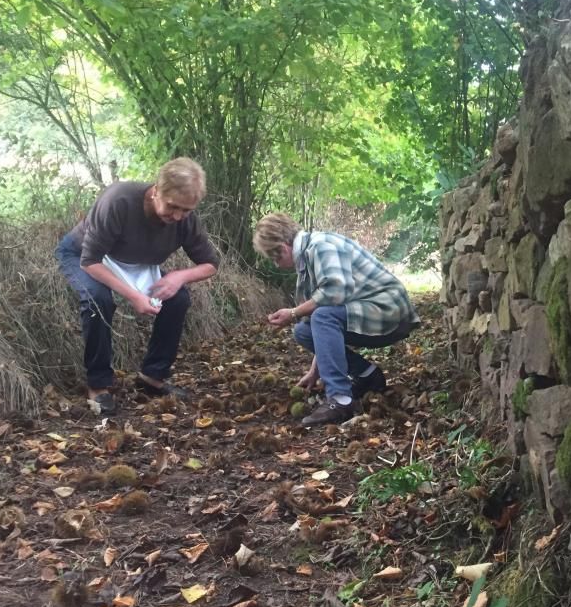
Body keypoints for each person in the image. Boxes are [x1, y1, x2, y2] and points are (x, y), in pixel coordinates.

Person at [55, 157, 219, 414]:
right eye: (172, 206)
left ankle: (152, 377)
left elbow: (210, 264)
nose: (177, 216)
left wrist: (179, 276)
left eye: (186, 210)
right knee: (98, 299)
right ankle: (98, 385)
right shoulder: (119, 201)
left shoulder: (185, 219)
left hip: (135, 265)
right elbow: (90, 261)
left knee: (178, 298)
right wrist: (133, 296)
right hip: (85, 256)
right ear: (156, 191)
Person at [254, 212, 420, 425]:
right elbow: (322, 321)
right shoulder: (309, 256)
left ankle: (340, 399)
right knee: (303, 330)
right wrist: (316, 370)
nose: (277, 265)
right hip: (371, 313)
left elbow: (333, 294)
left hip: (389, 311)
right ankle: (368, 375)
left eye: (275, 258)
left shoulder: (321, 246)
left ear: (283, 248)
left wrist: (293, 312)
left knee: (320, 316)